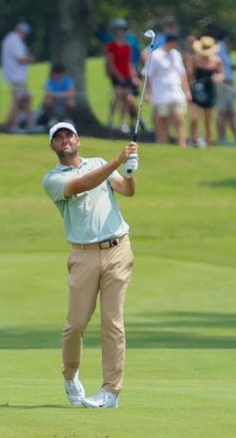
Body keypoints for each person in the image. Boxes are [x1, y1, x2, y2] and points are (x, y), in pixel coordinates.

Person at [43, 122, 139, 409]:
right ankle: (70, 375)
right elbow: (81, 184)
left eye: (69, 135)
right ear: (53, 146)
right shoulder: (53, 179)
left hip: (118, 249)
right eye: (58, 138)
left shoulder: (99, 163)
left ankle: (111, 392)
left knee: (113, 322)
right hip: (83, 254)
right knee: (75, 325)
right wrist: (118, 161)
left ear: (78, 140)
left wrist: (131, 171)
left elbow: (128, 191)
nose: (65, 141)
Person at [146, 34, 191, 146]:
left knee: (179, 118)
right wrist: (147, 93)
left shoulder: (176, 55)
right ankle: (164, 142)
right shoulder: (156, 55)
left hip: (176, 92)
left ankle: (182, 144)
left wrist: (186, 91)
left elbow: (182, 74)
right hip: (161, 94)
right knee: (162, 120)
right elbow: (148, 75)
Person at [105, 19, 141, 133]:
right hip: (116, 75)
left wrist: (134, 76)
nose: (120, 33)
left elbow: (129, 63)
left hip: (126, 75)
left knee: (126, 99)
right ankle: (110, 120)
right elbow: (110, 62)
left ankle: (122, 122)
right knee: (117, 96)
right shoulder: (111, 46)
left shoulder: (127, 47)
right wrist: (117, 75)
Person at [188, 36, 224, 146]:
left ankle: (208, 141)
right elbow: (190, 75)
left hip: (210, 90)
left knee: (208, 119)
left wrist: (217, 78)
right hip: (198, 88)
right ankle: (194, 140)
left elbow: (221, 74)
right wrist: (189, 90)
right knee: (194, 118)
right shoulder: (195, 60)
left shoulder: (216, 61)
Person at [1, 22, 34, 132]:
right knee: (20, 101)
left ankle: (26, 124)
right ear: (21, 31)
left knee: (24, 100)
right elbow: (20, 59)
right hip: (17, 76)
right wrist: (30, 59)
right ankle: (12, 125)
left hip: (16, 76)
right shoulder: (14, 40)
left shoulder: (10, 39)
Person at [40, 63, 76, 127]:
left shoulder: (68, 81)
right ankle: (52, 118)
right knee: (48, 101)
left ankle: (67, 118)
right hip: (54, 101)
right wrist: (58, 95)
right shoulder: (49, 82)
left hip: (64, 100)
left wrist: (59, 95)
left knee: (71, 102)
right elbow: (48, 93)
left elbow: (72, 92)